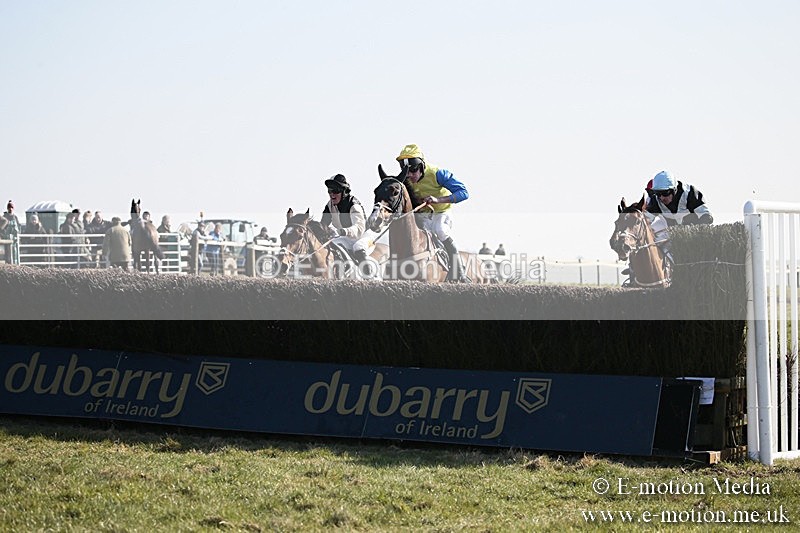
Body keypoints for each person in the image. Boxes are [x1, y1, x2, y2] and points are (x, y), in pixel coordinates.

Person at [396, 144, 470, 282]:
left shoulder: (438, 174)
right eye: (407, 172)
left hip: (441, 212)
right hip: (422, 215)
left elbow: (463, 193)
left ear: (422, 166)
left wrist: (438, 200)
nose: (410, 175)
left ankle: (459, 272)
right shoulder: (405, 179)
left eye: (413, 171)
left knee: (440, 230)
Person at [320, 174, 375, 264]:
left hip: (363, 237)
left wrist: (342, 231)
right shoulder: (329, 205)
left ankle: (367, 272)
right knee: (331, 246)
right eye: (330, 191)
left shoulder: (353, 205)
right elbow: (323, 225)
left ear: (344, 191)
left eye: (335, 191)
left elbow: (359, 229)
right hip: (346, 238)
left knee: (358, 247)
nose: (332, 194)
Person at [645, 170, 713, 226]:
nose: (662, 198)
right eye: (658, 193)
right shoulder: (655, 200)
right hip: (673, 235)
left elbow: (706, 216)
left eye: (665, 193)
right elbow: (645, 221)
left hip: (694, 235)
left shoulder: (690, 194)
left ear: (674, 190)